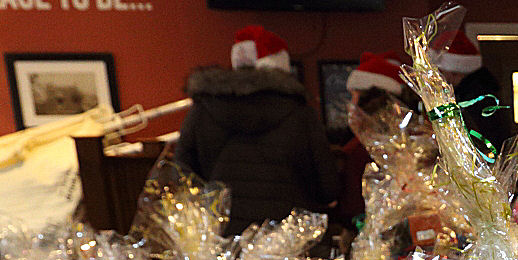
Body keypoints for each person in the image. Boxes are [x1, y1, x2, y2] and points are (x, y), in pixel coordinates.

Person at [175, 25, 341, 237]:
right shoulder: (301, 113)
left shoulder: (203, 110)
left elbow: (181, 175)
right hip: (287, 236)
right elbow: (328, 188)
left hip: (221, 234)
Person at [337, 52, 414, 221]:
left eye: (355, 97)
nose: (351, 106)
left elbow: (352, 207)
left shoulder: (363, 149)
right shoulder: (413, 140)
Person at [433, 28, 514, 158]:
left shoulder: (475, 98)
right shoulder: (476, 91)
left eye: (441, 71)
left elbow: (483, 145)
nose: (438, 77)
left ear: (454, 70)